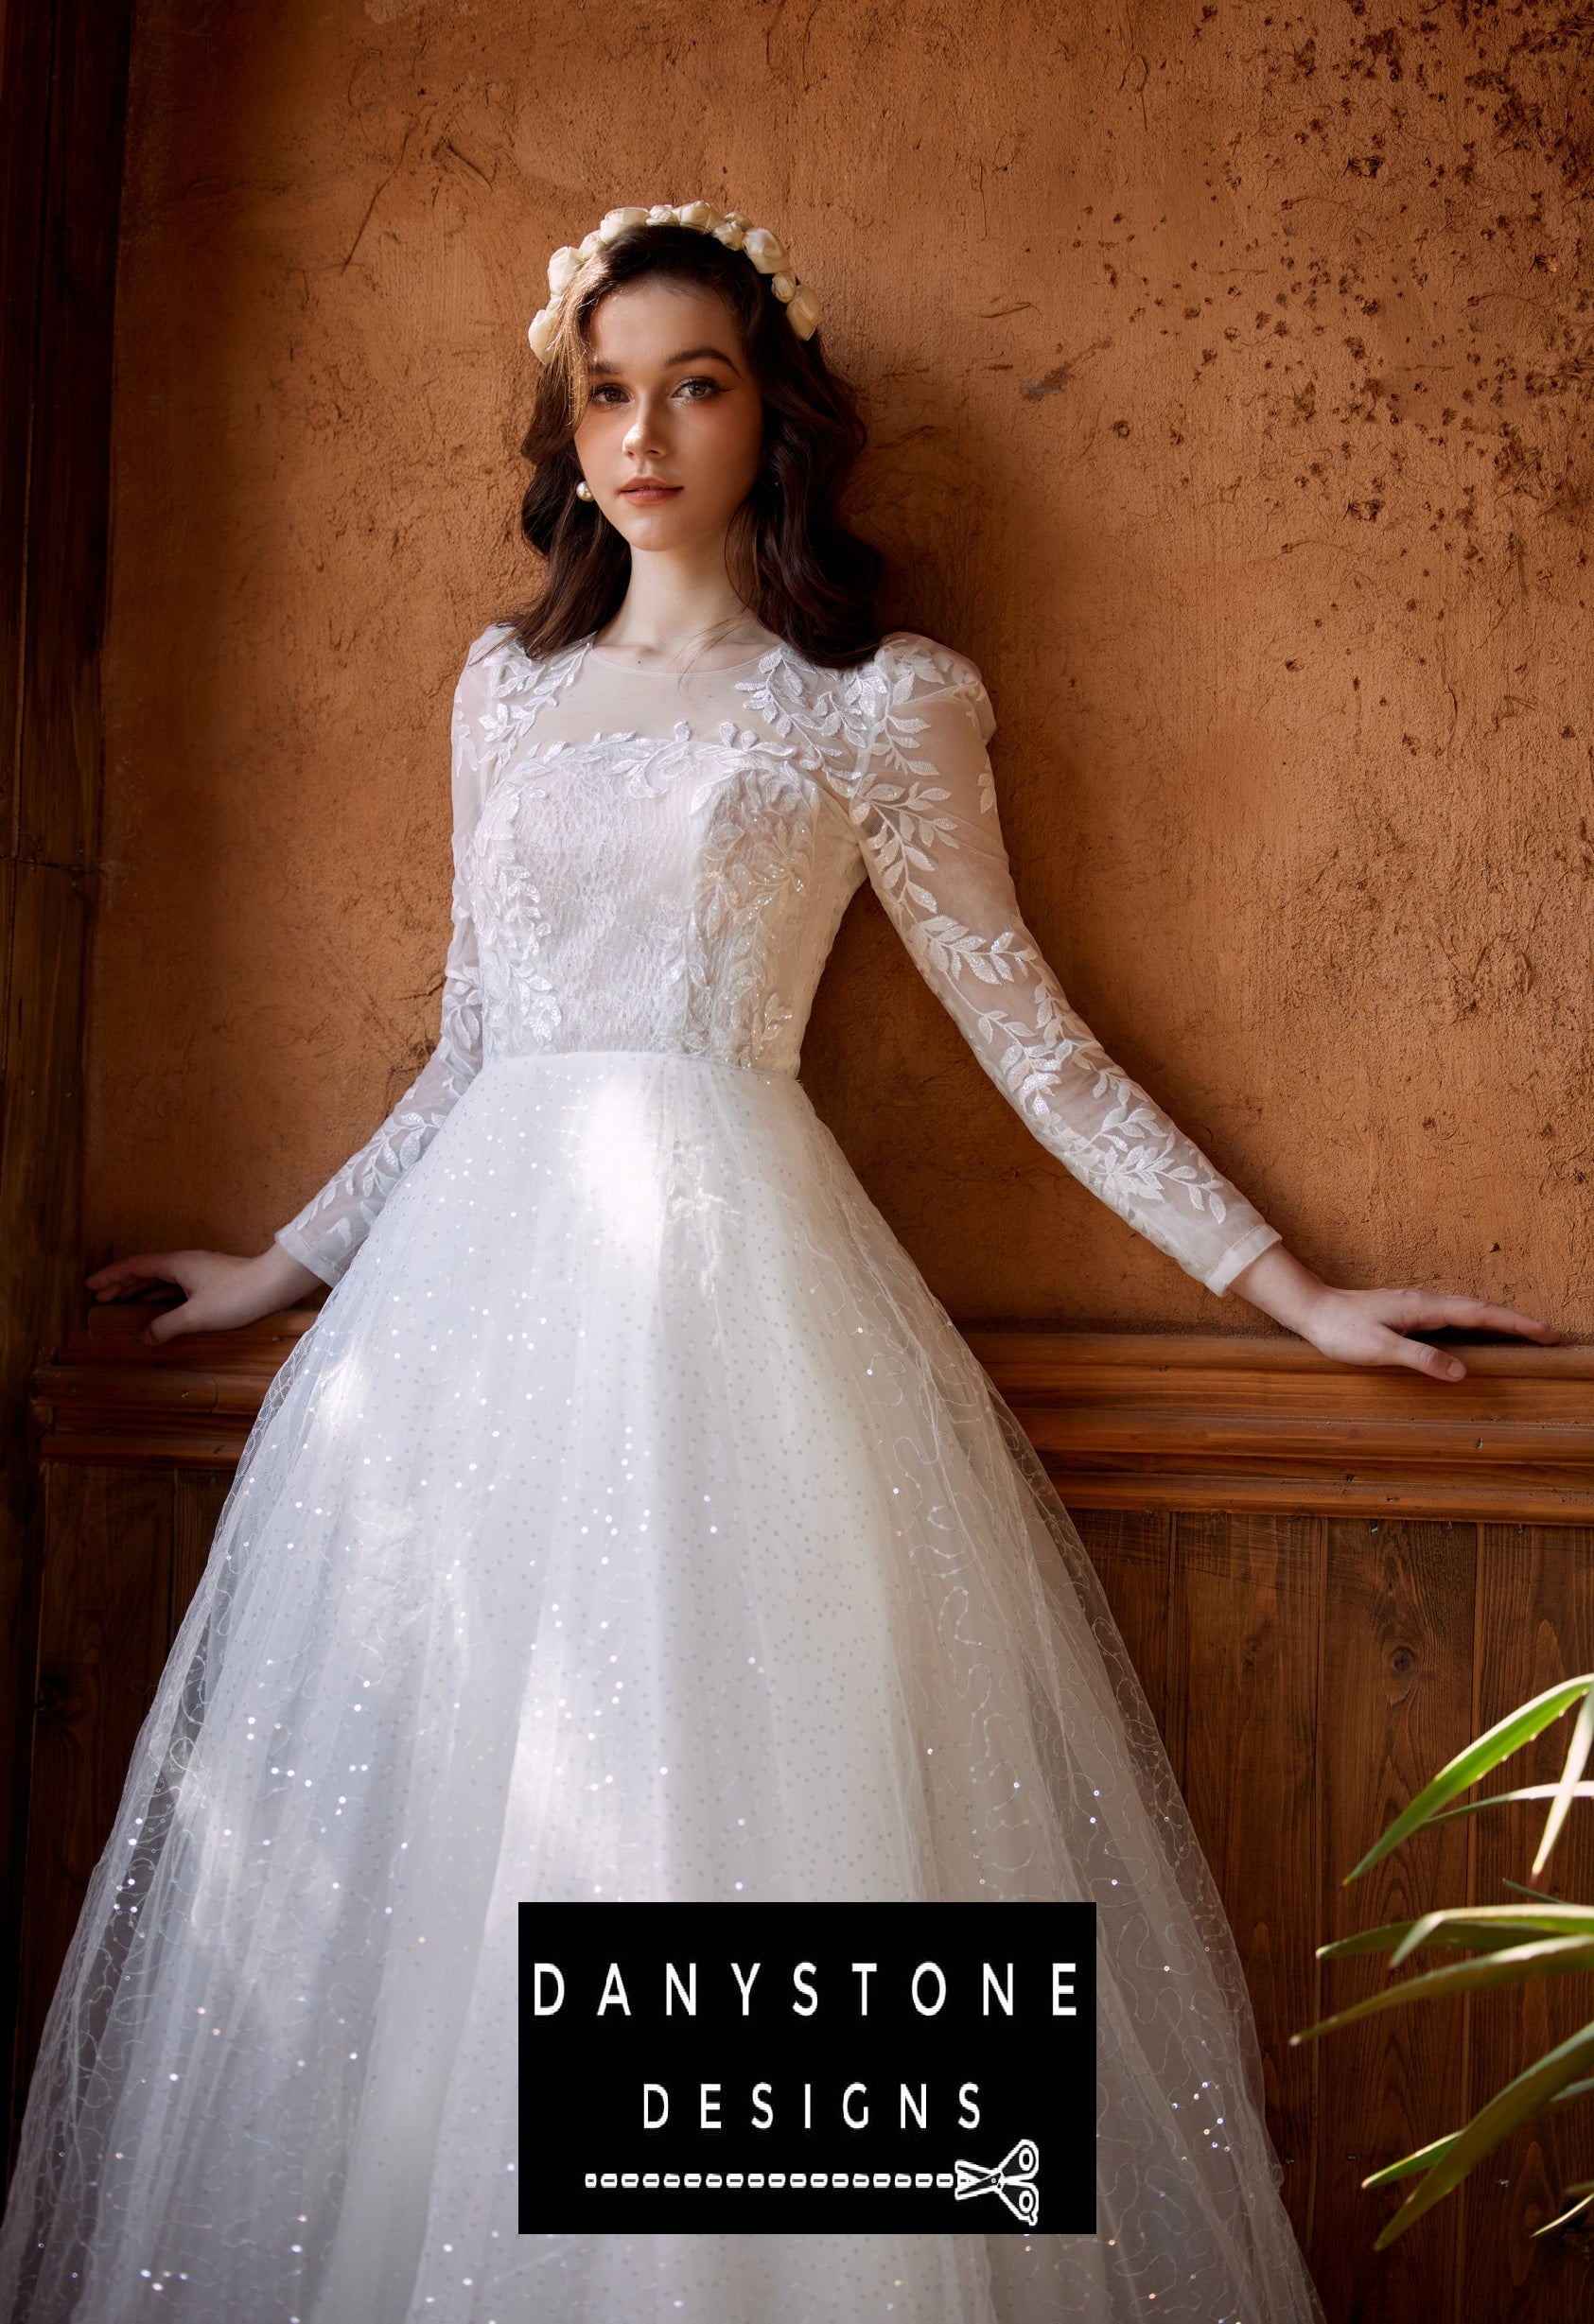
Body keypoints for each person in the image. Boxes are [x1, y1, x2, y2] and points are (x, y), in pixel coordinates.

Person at [0, 201, 1554, 2323]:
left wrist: (1289, 1291)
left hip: (740, 1311)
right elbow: (475, 1036)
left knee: (746, 1825)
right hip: (465, 1331)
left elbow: (1031, 1032)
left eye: (694, 384)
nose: (643, 430)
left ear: (769, 416)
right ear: (570, 423)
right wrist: (282, 1266)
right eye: (607, 388)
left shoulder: (877, 703)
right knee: (456, 1853)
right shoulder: (503, 687)